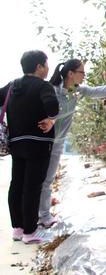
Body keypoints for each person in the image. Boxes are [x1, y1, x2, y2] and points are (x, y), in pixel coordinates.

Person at [37, 58, 106, 228]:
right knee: (38, 179)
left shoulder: (77, 91)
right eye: (82, 72)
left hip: (58, 142)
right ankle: (37, 215)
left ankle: (43, 215)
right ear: (71, 74)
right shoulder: (51, 90)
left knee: (48, 179)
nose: (84, 76)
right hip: (44, 141)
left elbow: (100, 91)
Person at [0, 50, 59, 244]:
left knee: (16, 184)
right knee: (32, 187)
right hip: (39, 143)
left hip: (17, 142)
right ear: (39, 67)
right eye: (46, 65)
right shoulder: (43, 86)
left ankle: (17, 229)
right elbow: (52, 107)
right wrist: (50, 120)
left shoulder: (11, 86)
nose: (48, 68)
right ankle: (30, 232)